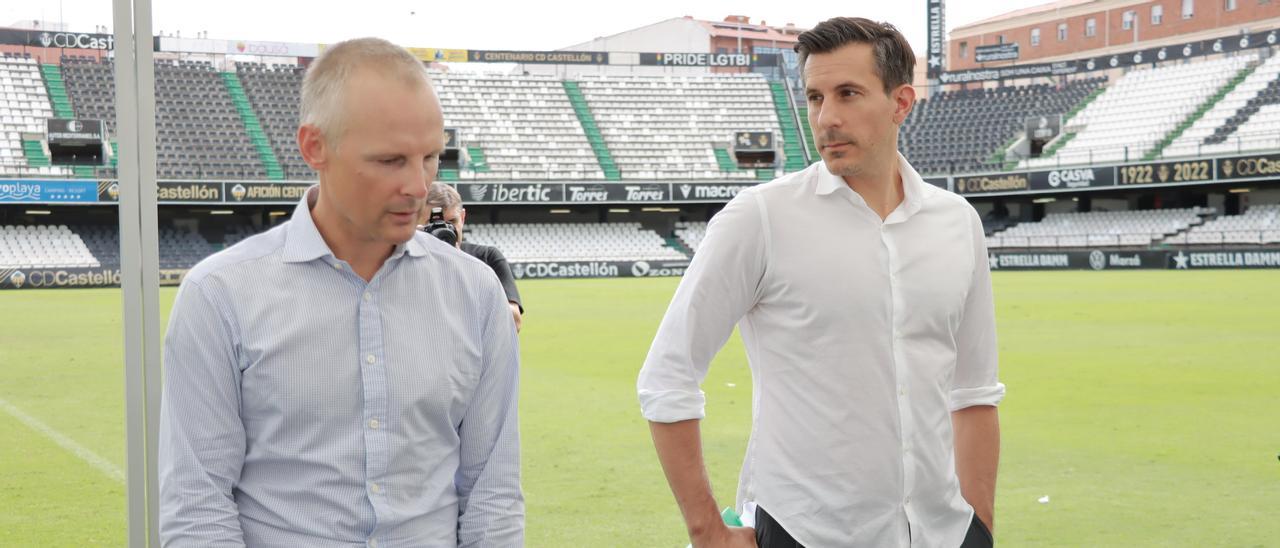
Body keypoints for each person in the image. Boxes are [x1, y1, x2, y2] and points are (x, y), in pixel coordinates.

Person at [638, 17, 1003, 548]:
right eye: (814, 97)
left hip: (943, 531)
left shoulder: (957, 222)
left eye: (848, 94)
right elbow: (667, 378)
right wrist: (708, 533)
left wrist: (980, 525)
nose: (826, 117)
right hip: (806, 532)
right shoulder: (760, 218)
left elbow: (974, 392)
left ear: (901, 103)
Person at [158, 38, 523, 547]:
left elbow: (493, 495)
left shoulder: (477, 293)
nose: (419, 187)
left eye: (430, 158)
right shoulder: (218, 295)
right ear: (315, 147)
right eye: (391, 160)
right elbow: (197, 505)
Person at [423, 182, 524, 333]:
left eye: (451, 222)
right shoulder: (404, 261)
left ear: (462, 218)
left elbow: (514, 321)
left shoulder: (487, 258)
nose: (445, 230)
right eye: (434, 224)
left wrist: (462, 265)